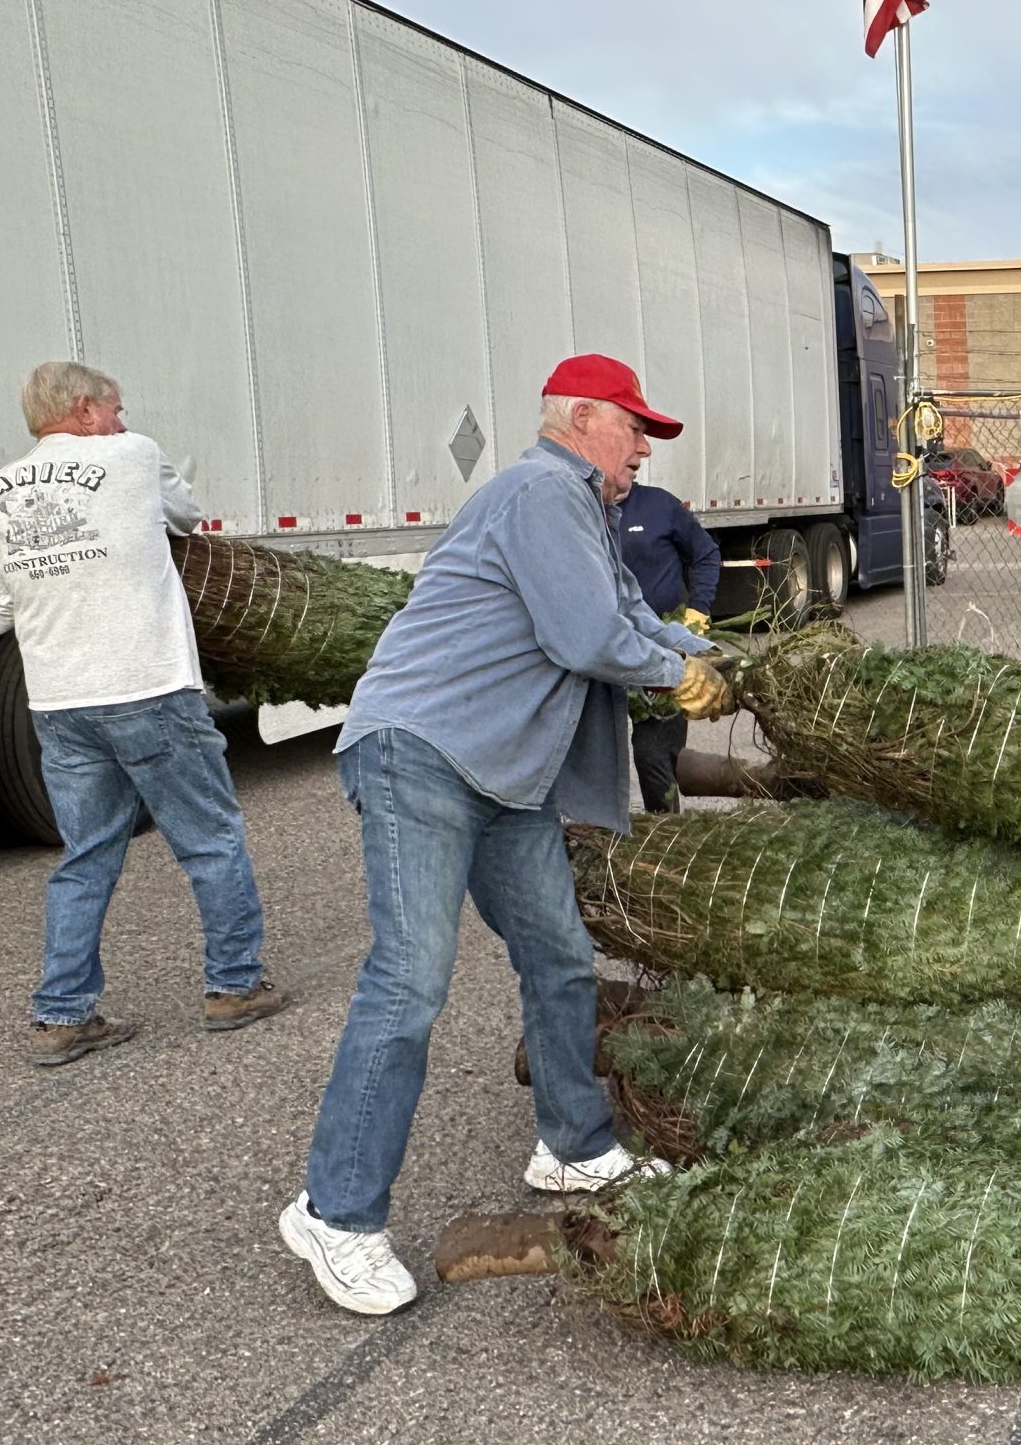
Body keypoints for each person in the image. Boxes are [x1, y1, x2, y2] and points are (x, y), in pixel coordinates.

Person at [279, 355, 736, 1316]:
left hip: (504, 775)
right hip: (425, 756)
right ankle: (337, 1213)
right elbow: (587, 638)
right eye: (634, 427)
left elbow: (628, 614)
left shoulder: (585, 510)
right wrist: (668, 675)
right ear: (578, 419)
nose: (645, 448)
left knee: (560, 960)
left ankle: (573, 1146)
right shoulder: (540, 489)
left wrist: (719, 659)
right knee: (410, 979)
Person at [0, 362, 287, 1067]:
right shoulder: (135, 456)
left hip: (59, 703)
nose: (121, 417)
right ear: (84, 409)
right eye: (114, 407)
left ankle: (61, 1016)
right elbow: (186, 516)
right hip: (147, 687)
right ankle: (234, 987)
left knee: (85, 859)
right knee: (209, 840)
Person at [612, 473, 721, 813]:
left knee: (653, 753)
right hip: (608, 653)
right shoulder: (585, 515)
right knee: (603, 755)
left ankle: (665, 833)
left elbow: (706, 555)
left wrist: (697, 612)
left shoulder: (660, 505)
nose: (631, 465)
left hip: (664, 650)